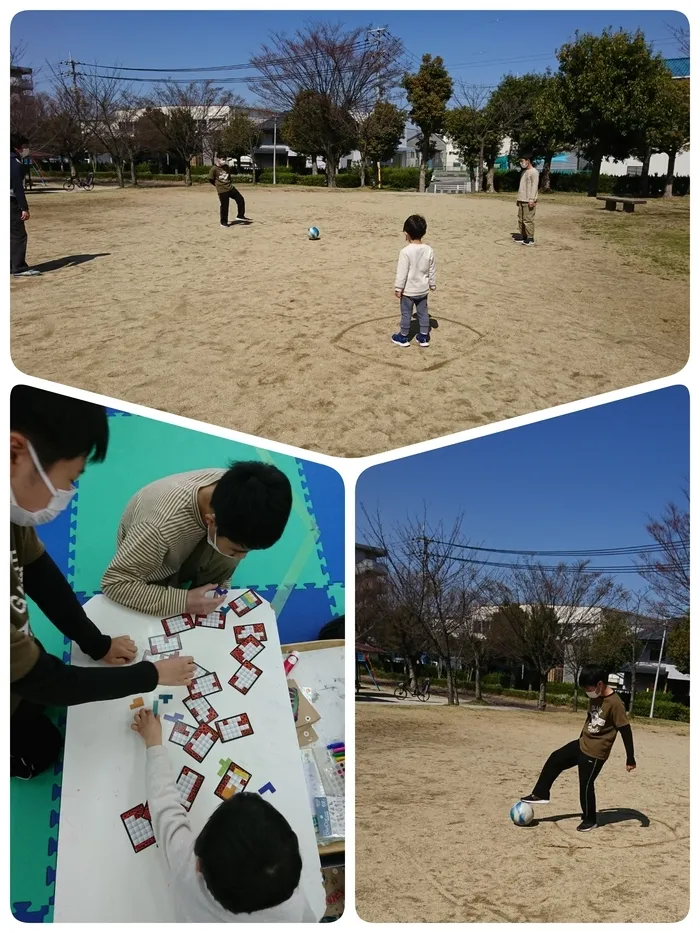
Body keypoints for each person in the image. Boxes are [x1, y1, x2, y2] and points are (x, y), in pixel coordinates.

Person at [10, 386, 195, 780]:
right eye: (69, 478)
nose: (68, 495)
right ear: (15, 453)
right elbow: (45, 681)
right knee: (40, 751)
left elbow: (39, 571)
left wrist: (96, 643)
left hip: (18, 656)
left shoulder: (13, 513)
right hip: (20, 673)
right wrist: (153, 673)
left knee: (38, 679)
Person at [131, 708, 318, 921]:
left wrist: (154, 744)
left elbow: (165, 810)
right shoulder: (291, 904)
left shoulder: (188, 875)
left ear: (198, 865)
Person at [102, 462, 293, 618]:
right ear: (212, 521)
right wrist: (184, 601)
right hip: (151, 554)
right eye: (237, 549)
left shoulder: (241, 489)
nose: (242, 558)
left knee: (227, 556)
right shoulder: (157, 529)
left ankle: (206, 589)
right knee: (154, 606)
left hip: (188, 540)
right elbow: (115, 583)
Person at [520, 667, 636, 832]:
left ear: (599, 684)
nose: (586, 692)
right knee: (556, 758)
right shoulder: (595, 696)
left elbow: (625, 730)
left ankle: (590, 819)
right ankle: (541, 793)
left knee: (586, 784)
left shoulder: (616, 703)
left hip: (596, 752)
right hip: (582, 743)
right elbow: (590, 719)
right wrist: (580, 738)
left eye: (588, 688)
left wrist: (630, 758)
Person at [391, 214, 436, 348]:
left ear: (406, 233)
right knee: (423, 313)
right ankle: (423, 337)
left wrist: (398, 288)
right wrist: (432, 283)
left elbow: (402, 272)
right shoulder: (429, 249)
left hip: (408, 291)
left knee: (406, 313)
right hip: (423, 289)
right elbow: (432, 268)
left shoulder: (405, 252)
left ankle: (403, 337)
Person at [10, 133, 41, 277]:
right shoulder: (14, 164)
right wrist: (24, 208)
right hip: (11, 202)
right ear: (18, 147)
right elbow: (18, 188)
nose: (26, 149)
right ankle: (19, 267)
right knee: (18, 235)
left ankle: (11, 264)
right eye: (24, 146)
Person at [208, 157, 250, 228]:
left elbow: (229, 177)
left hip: (230, 188)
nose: (224, 161)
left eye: (225, 159)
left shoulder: (226, 167)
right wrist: (218, 185)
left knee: (240, 199)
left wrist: (229, 183)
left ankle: (240, 215)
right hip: (222, 190)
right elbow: (210, 179)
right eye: (222, 159)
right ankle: (223, 222)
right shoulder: (214, 169)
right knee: (225, 206)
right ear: (218, 159)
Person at [516, 153, 540, 246]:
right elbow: (521, 187)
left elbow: (534, 187)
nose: (521, 163)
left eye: (522, 161)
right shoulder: (524, 172)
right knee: (521, 218)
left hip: (529, 200)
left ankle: (530, 238)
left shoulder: (534, 172)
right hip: (522, 198)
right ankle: (523, 236)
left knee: (528, 219)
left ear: (528, 161)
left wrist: (532, 199)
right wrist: (518, 198)